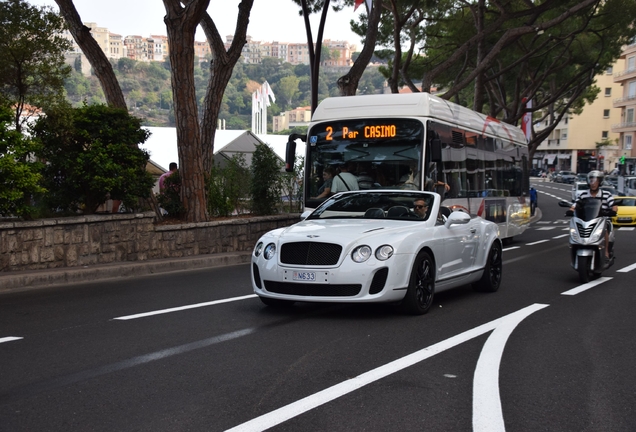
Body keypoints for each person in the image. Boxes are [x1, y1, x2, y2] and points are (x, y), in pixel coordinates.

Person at [570, 170, 617, 259]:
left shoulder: (606, 194)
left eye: (596, 181)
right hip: (586, 219)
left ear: (600, 182)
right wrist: (571, 210)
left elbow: (613, 205)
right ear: (588, 181)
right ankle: (576, 249)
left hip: (601, 219)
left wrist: (613, 211)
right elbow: (575, 204)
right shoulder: (583, 194)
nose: (593, 183)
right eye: (591, 180)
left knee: (605, 230)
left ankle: (606, 251)